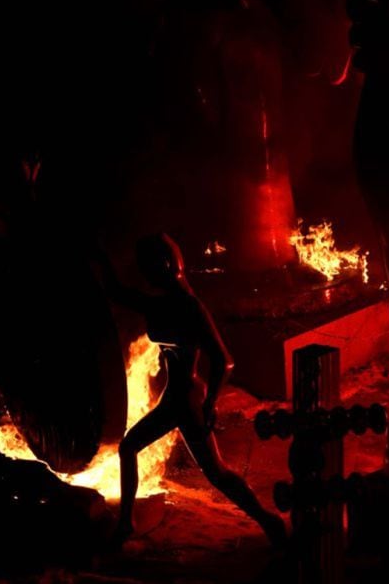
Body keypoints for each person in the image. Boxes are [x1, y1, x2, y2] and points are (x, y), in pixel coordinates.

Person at [94, 233, 285, 546]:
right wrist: (99, 258)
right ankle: (126, 524)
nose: (145, 274)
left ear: (166, 264)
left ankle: (269, 521)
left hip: (188, 400)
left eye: (149, 266)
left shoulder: (189, 307)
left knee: (215, 472)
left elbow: (225, 361)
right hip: (177, 397)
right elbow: (117, 292)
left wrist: (210, 404)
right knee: (138, 450)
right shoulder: (162, 303)